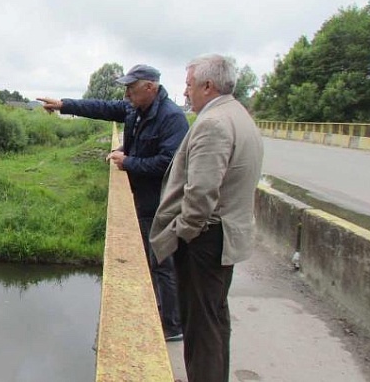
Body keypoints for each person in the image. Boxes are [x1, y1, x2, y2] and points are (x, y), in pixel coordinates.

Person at [38, 64, 188, 341]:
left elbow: (170, 163)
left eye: (132, 87)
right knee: (152, 258)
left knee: (162, 261)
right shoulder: (135, 108)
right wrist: (63, 105)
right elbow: (102, 108)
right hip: (142, 198)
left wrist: (128, 161)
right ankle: (162, 311)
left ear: (150, 88)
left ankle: (173, 325)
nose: (127, 93)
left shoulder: (172, 118)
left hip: (160, 203)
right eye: (126, 88)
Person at [150, 54, 264, 382]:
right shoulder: (238, 114)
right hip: (223, 236)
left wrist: (182, 234)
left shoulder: (214, 123)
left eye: (189, 85)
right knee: (213, 321)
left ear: (207, 86)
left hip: (205, 240)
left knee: (200, 328)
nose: (185, 93)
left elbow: (200, 194)